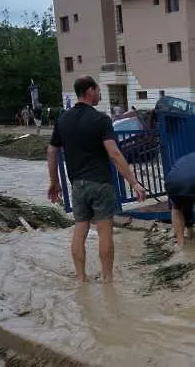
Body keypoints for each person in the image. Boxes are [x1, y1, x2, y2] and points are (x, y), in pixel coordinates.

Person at [47, 76, 146, 283]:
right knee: (104, 231)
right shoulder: (100, 120)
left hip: (77, 185)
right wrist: (133, 182)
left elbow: (52, 151)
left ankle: (81, 278)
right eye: (99, 91)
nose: (100, 95)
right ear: (90, 91)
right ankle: (108, 279)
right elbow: (115, 153)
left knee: (80, 229)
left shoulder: (62, 119)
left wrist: (54, 181)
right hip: (100, 183)